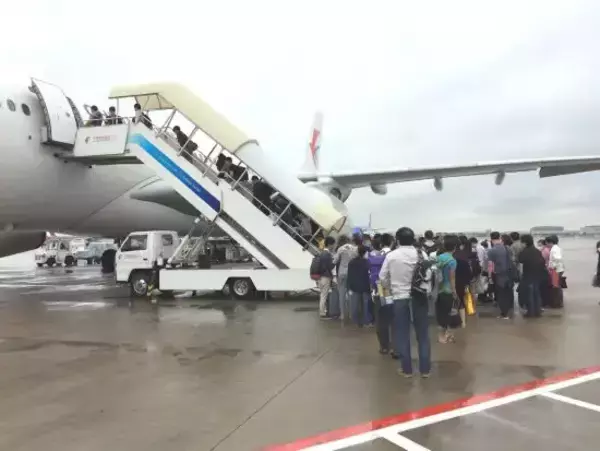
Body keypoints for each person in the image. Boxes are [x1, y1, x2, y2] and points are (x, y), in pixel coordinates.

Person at [379, 227, 431, 378]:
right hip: (419, 296)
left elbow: (383, 277)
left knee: (402, 334)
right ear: (413, 239)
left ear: (397, 240)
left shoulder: (391, 256)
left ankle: (407, 369)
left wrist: (391, 287)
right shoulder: (422, 254)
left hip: (399, 297)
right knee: (422, 334)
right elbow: (428, 275)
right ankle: (425, 370)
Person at [487, 232, 517, 319]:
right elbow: (512, 260)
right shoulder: (507, 248)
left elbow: (490, 265)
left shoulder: (491, 251)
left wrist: (489, 276)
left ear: (491, 239)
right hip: (509, 273)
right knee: (508, 291)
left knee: (501, 294)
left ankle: (504, 314)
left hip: (499, 274)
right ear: (500, 238)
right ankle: (510, 309)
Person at [436, 235, 458, 343]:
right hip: (447, 289)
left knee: (441, 313)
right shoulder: (452, 261)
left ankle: (444, 335)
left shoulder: (438, 257)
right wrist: (454, 291)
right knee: (448, 313)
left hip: (438, 289)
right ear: (455, 247)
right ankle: (443, 336)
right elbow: (452, 278)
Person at [518, 234, 546, 317]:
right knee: (536, 293)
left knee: (529, 294)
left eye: (521, 242)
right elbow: (542, 262)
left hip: (528, 275)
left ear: (525, 243)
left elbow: (520, 261)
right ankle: (537, 311)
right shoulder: (537, 251)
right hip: (537, 275)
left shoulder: (525, 252)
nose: (521, 244)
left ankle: (531, 312)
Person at [334, 235, 358, 321]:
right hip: (351, 273)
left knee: (341, 294)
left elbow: (335, 260)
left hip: (341, 273)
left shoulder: (340, 249)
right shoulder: (354, 248)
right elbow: (357, 258)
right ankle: (351, 314)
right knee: (350, 293)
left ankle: (342, 315)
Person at [347, 245, 372, 326]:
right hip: (365, 285)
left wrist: (349, 286)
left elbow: (349, 275)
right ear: (365, 253)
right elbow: (369, 274)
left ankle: (356, 320)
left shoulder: (351, 262)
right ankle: (366, 321)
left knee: (355, 304)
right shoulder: (367, 262)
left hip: (354, 286)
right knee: (365, 304)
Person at [316, 237, 336, 318]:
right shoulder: (327, 254)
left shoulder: (321, 253)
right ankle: (322, 313)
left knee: (322, 295)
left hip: (320, 277)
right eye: (333, 244)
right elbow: (330, 266)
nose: (334, 246)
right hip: (325, 277)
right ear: (330, 244)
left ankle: (323, 311)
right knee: (324, 296)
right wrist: (335, 262)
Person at [546, 235, 565, 308]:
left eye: (547, 243)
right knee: (557, 286)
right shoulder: (557, 248)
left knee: (556, 287)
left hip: (556, 270)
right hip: (558, 269)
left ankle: (557, 303)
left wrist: (553, 266)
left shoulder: (554, 249)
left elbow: (558, 258)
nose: (547, 244)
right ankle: (559, 302)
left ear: (551, 242)